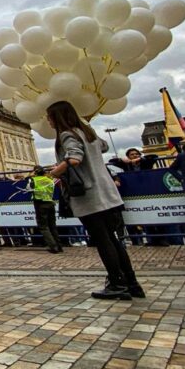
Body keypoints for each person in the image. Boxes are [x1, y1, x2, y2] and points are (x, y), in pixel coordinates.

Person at [47, 100, 143, 301]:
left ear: (58, 117)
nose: (48, 121)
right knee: (113, 239)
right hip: (107, 193)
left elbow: (74, 158)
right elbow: (105, 146)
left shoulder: (66, 134)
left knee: (102, 240)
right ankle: (132, 283)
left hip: (90, 196)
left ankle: (116, 284)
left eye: (49, 117)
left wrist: (55, 172)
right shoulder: (87, 133)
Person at [29, 166, 61, 253]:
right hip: (50, 202)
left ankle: (53, 246)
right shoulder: (49, 180)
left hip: (40, 204)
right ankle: (59, 246)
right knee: (52, 225)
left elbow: (28, 188)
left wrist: (30, 176)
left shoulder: (34, 180)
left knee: (43, 226)